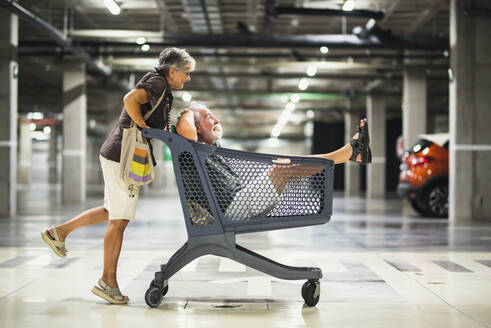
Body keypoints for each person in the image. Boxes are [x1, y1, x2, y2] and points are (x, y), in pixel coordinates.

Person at [41, 48, 195, 304]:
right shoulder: (157, 82)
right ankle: (107, 282)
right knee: (120, 219)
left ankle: (59, 233)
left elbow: (152, 117)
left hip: (116, 153)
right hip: (121, 155)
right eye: (186, 73)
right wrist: (143, 127)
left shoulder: (162, 89)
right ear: (173, 71)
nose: (188, 78)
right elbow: (129, 99)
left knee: (111, 210)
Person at [176, 103, 371, 220]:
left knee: (284, 164)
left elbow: (215, 132)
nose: (216, 120)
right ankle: (346, 154)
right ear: (195, 127)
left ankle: (348, 154)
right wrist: (189, 111)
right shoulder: (187, 150)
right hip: (231, 209)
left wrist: (207, 120)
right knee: (282, 170)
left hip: (240, 201)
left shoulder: (210, 147)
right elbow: (186, 130)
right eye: (208, 117)